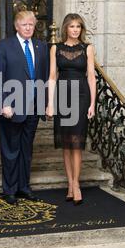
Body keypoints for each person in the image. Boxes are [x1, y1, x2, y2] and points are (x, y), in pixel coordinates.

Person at [0, 11, 49, 205]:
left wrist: (46, 103)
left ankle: (23, 187)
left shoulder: (40, 47)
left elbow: (44, 77)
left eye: (31, 25)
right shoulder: (5, 46)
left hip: (34, 107)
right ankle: (9, 189)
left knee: (26, 150)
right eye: (24, 24)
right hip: (12, 107)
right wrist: (3, 103)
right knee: (10, 150)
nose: (28, 28)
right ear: (17, 26)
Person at [46, 13, 96, 205]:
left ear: (81, 29)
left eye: (78, 27)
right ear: (65, 28)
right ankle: (69, 184)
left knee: (77, 144)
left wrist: (92, 103)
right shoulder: (55, 49)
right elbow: (52, 76)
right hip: (62, 97)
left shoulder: (88, 48)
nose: (75, 30)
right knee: (66, 144)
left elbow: (91, 77)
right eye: (72, 26)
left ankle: (76, 184)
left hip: (82, 96)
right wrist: (50, 103)